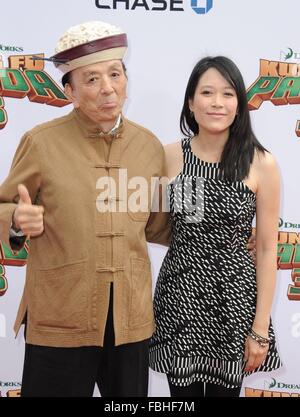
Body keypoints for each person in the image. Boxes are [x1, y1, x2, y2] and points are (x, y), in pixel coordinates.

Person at [0, 20, 170, 397]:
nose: (108, 88)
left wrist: (227, 234)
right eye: (91, 79)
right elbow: (6, 205)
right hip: (61, 317)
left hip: (130, 322)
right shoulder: (41, 143)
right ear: (71, 91)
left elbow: (158, 225)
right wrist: (15, 219)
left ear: (126, 79)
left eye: (115, 74)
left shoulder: (149, 147)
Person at [149, 56, 282, 397]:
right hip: (181, 297)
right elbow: (147, 224)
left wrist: (260, 329)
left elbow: (267, 251)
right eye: (207, 92)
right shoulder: (166, 156)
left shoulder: (261, 163)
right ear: (191, 103)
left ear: (239, 104)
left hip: (235, 303)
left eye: (227, 94)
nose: (217, 103)